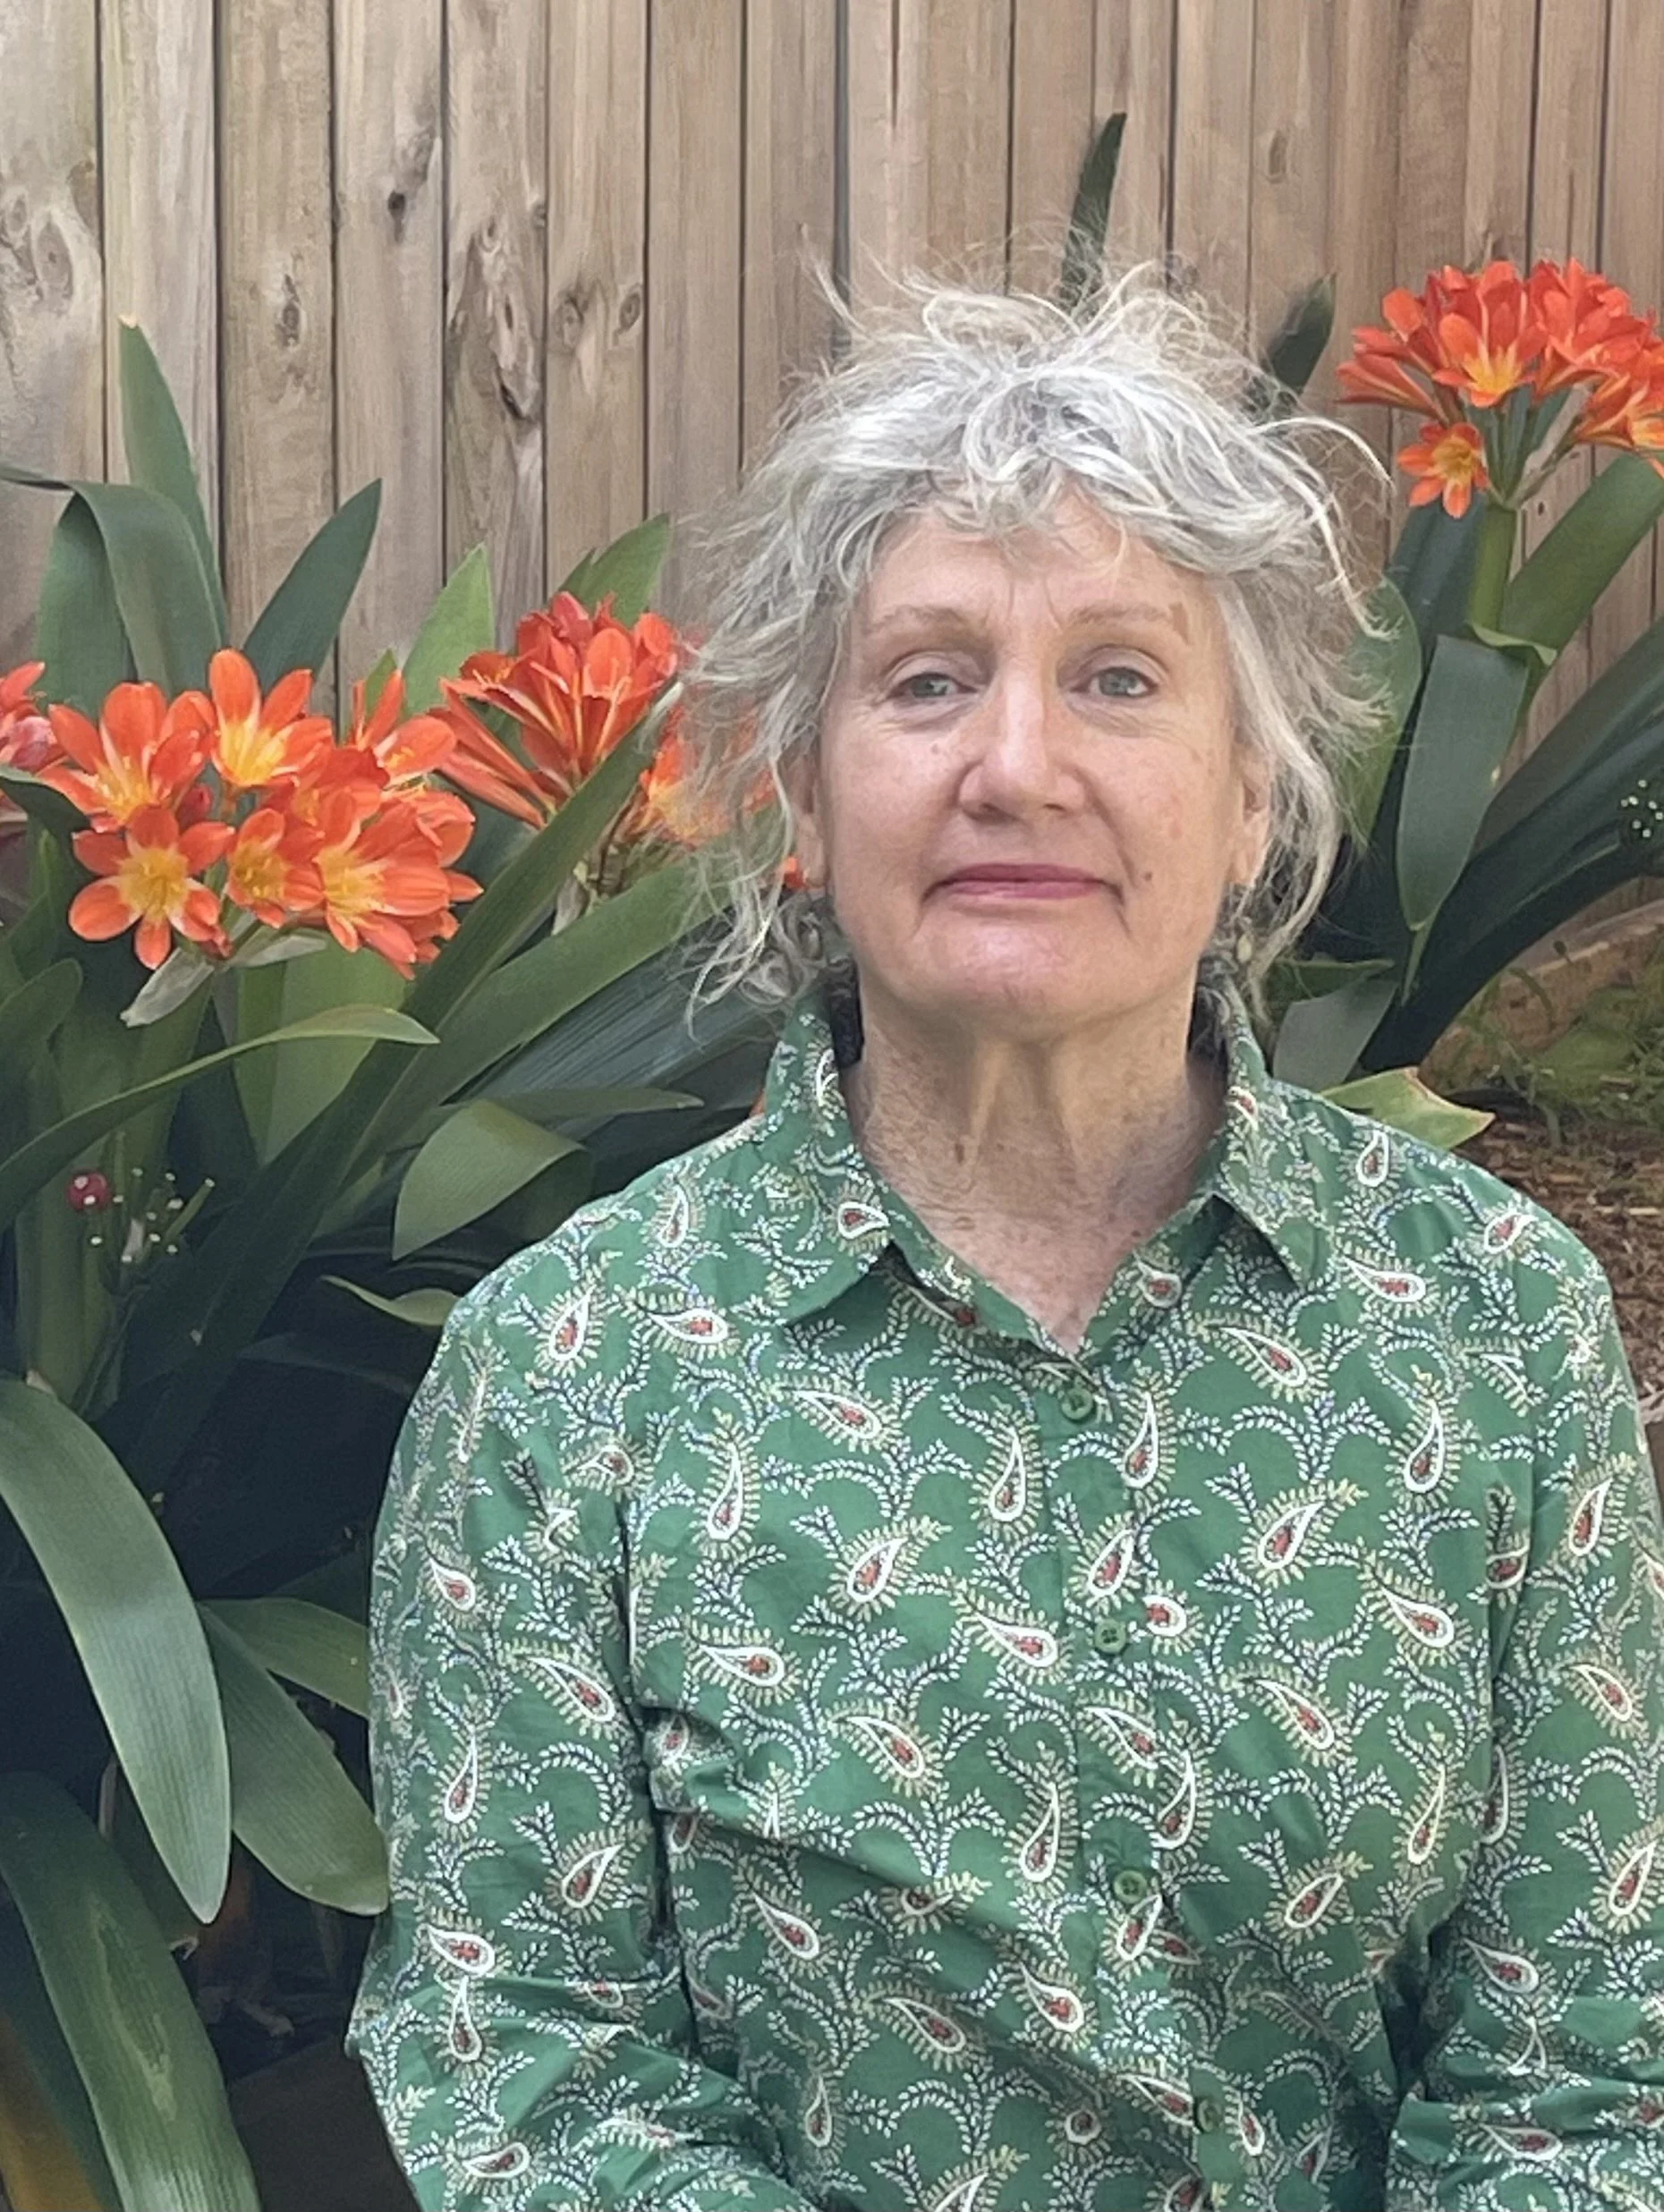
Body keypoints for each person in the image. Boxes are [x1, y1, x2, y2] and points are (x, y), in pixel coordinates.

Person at [346, 274, 1664, 2211]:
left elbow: (1583, 2059)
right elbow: (531, 2064)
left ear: (1251, 800)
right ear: (804, 793)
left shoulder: (1487, 1327)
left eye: (1121, 677)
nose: (1017, 765)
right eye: (928, 677)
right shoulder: (571, 1370)